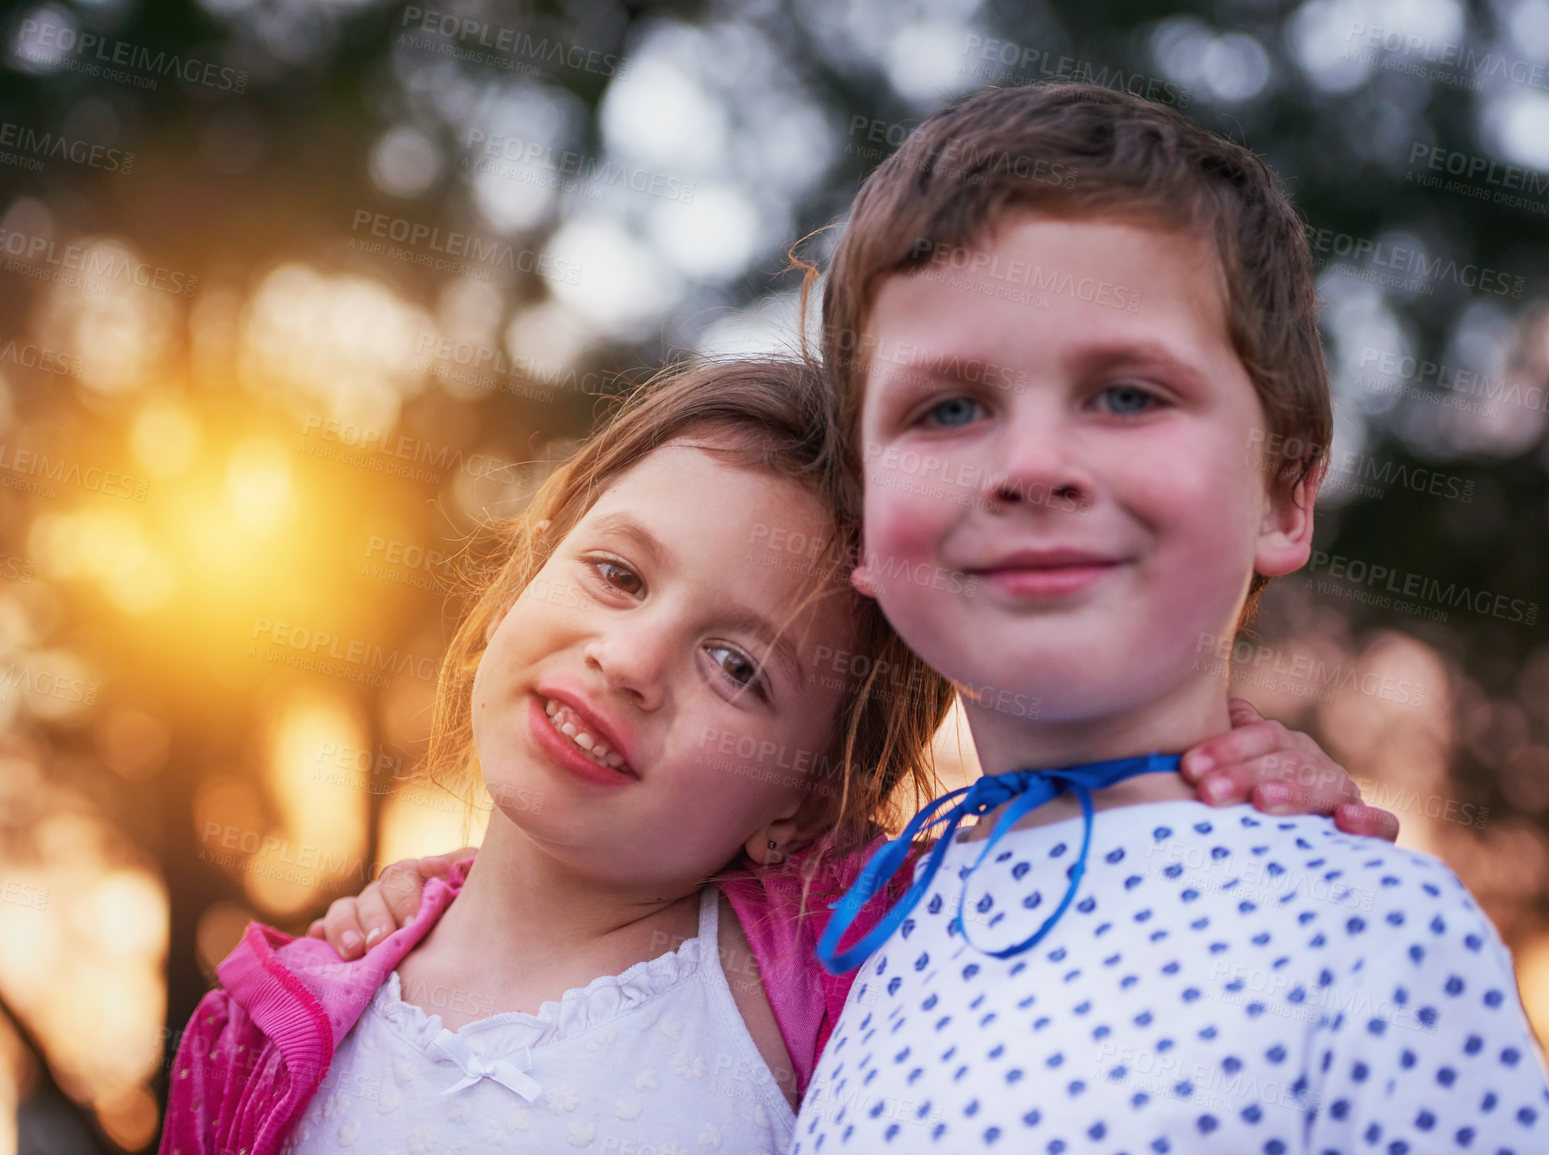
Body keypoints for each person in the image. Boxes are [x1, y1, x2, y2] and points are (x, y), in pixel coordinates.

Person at [168, 356, 1382, 1155]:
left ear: (812, 803)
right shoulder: (266, 1023)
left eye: (740, 667)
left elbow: (1100, 923)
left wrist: (1239, 794)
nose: (631, 659)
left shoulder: (836, 977)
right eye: (615, 573)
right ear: (523, 572)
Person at [792, 81, 1549, 1152]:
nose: (1031, 466)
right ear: (862, 527)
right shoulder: (847, 942)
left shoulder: (1371, 934)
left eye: (1126, 395)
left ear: (1285, 493)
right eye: (949, 407)